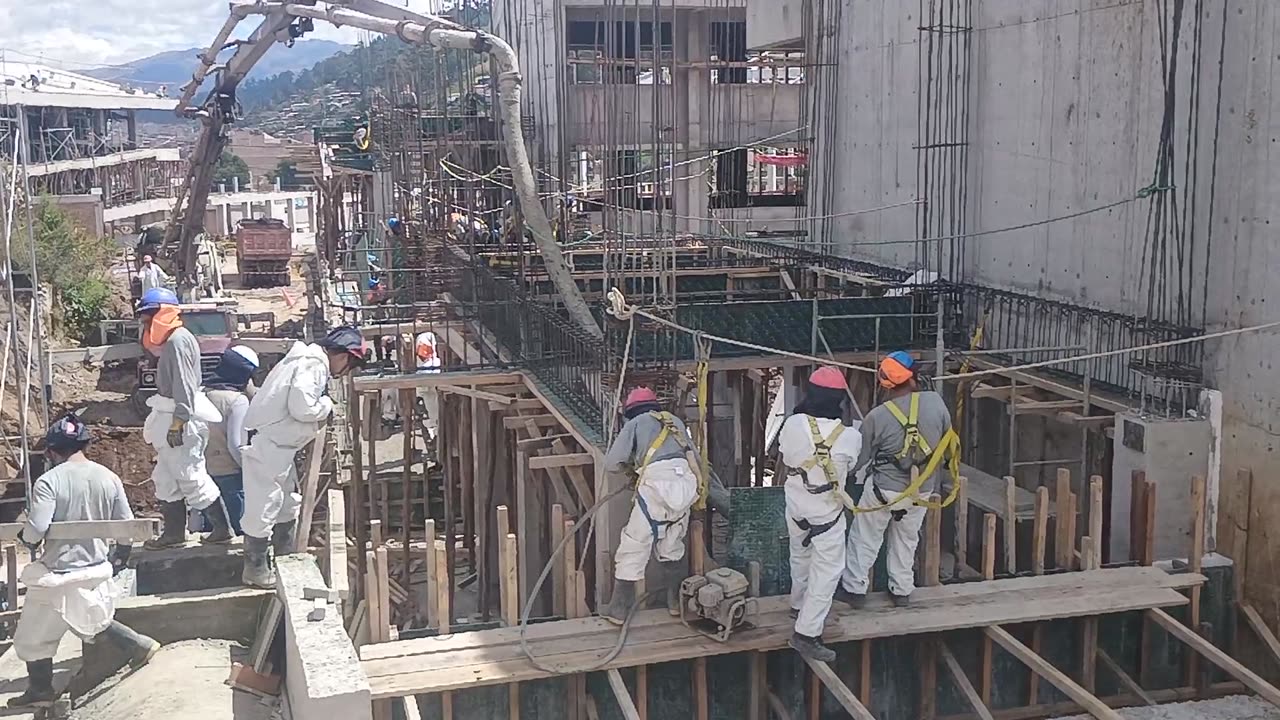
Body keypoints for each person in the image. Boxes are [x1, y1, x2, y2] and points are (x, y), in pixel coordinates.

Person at [9, 415, 160, 709]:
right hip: (94, 567)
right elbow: (125, 525)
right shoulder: (108, 477)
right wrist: (122, 553)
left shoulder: (49, 481)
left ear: (51, 451)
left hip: (59, 572)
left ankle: (41, 689)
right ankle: (138, 645)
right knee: (86, 618)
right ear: (85, 445)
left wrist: (27, 539)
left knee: (32, 637)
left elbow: (37, 527)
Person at [239, 326, 367, 587]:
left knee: (286, 503)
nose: (344, 373)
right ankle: (255, 569)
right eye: (348, 366)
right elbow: (302, 407)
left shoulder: (305, 361)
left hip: (278, 446)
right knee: (262, 507)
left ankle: (284, 559)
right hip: (270, 446)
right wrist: (326, 405)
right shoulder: (313, 365)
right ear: (343, 356)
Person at [841, 351, 959, 607]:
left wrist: (836, 474)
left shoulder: (877, 417)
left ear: (885, 383)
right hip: (921, 490)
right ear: (913, 377)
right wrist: (947, 480)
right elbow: (948, 444)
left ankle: (855, 589)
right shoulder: (936, 403)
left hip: (885, 491)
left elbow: (860, 460)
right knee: (907, 540)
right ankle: (902, 590)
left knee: (865, 538)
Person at [138, 287, 234, 548]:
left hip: (179, 418)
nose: (145, 325)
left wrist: (178, 422)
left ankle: (222, 529)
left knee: (190, 475)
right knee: (166, 478)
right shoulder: (175, 340)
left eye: (147, 319)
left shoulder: (178, 342)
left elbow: (184, 385)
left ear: (160, 315)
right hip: (172, 414)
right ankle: (174, 534)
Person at [780, 367, 863, 662]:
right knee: (826, 572)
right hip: (826, 511)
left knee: (799, 556)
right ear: (839, 399)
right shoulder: (850, 436)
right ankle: (807, 633)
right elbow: (850, 468)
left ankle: (798, 604)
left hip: (796, 505)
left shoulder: (793, 424)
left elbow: (785, 454)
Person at [602, 387, 704, 625]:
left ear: (631, 410)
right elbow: (695, 458)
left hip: (656, 486)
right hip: (685, 484)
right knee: (672, 544)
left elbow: (612, 463)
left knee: (634, 544)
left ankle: (619, 608)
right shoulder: (675, 421)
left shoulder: (635, 423)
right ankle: (675, 603)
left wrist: (632, 468)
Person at [200, 345, 261, 535]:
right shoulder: (237, 401)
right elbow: (236, 445)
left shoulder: (201, 394)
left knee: (211, 535)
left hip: (203, 475)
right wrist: (251, 472)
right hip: (231, 477)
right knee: (240, 534)